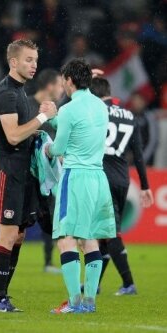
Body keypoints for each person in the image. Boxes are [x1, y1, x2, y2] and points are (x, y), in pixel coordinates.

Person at [0, 39, 57, 313]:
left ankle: (3, 295)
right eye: (28, 60)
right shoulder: (6, 94)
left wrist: (44, 140)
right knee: (6, 235)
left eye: (36, 60)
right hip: (8, 171)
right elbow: (13, 135)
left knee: (18, 236)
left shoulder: (22, 94)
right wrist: (42, 119)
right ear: (13, 62)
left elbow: (27, 133)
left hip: (24, 172)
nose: (34, 65)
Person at [46, 59, 116, 314]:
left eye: (64, 79)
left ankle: (74, 302)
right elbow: (82, 131)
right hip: (98, 177)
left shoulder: (69, 109)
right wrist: (56, 120)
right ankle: (89, 302)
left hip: (75, 178)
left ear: (69, 80)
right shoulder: (100, 106)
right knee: (90, 240)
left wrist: (46, 146)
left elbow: (59, 149)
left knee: (66, 240)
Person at [90, 77, 154, 295]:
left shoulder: (96, 112)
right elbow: (137, 155)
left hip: (101, 177)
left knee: (110, 232)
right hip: (122, 178)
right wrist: (145, 186)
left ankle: (128, 283)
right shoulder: (129, 115)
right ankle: (94, 284)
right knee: (103, 232)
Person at [27, 68, 64, 273]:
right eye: (59, 84)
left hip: (50, 176)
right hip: (29, 173)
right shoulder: (28, 105)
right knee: (22, 223)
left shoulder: (57, 111)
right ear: (50, 86)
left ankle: (50, 261)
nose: (61, 89)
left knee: (52, 215)